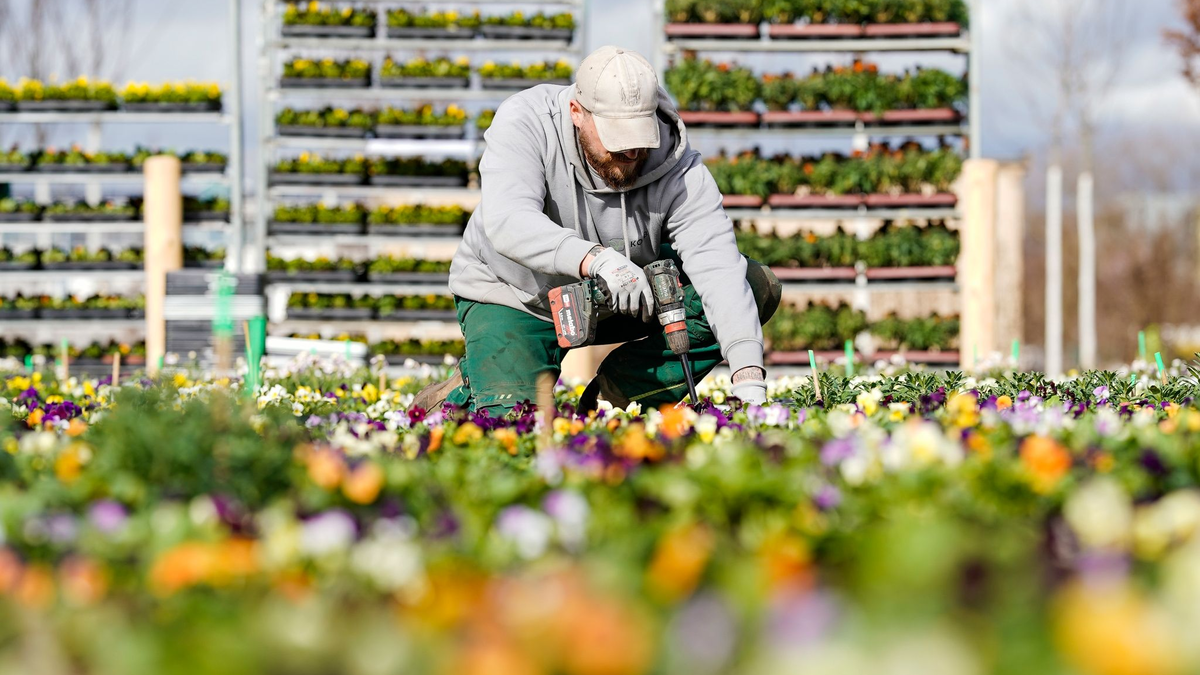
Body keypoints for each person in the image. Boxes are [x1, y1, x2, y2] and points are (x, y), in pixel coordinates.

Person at [414, 45, 780, 414]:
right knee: (511, 423)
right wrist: (596, 259)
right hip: (517, 296)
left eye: (640, 138)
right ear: (577, 113)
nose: (632, 153)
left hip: (623, 295)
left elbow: (718, 267)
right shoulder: (525, 121)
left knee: (753, 283)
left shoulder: (676, 164)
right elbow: (508, 220)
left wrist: (749, 379)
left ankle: (616, 397)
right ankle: (468, 387)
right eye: (617, 139)